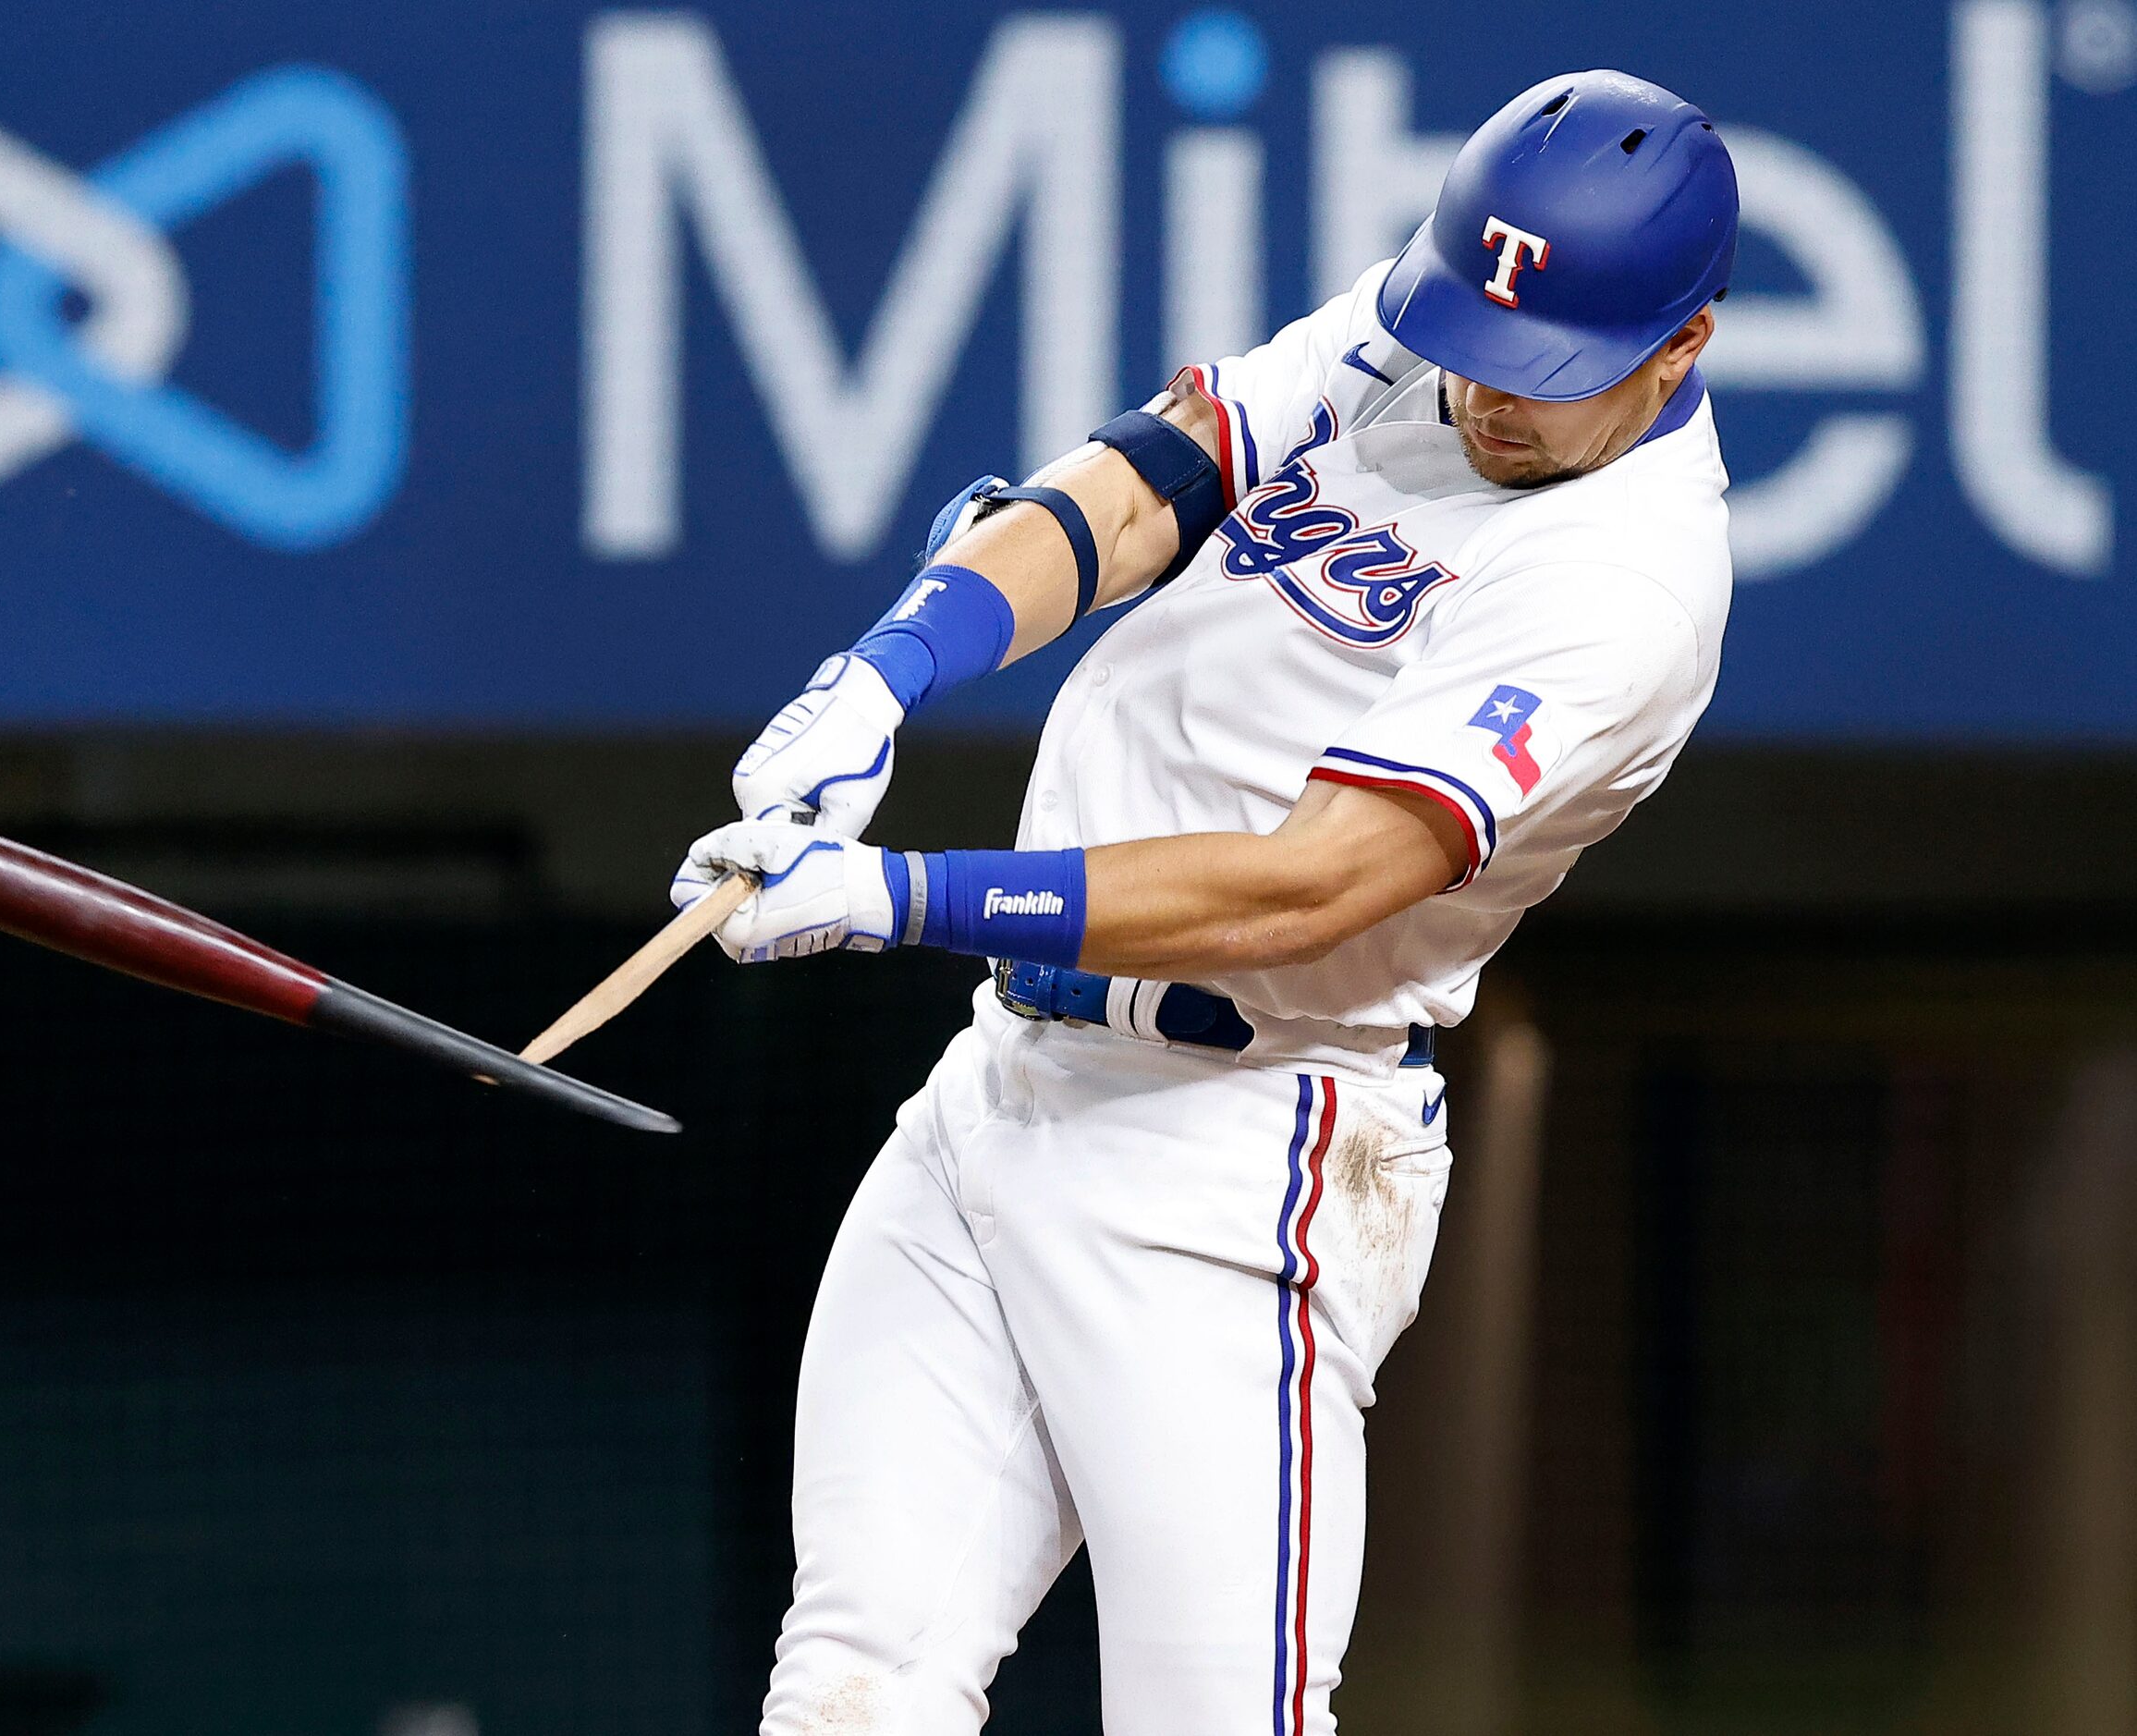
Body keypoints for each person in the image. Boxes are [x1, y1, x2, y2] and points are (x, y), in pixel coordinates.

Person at [670, 68, 1740, 1736]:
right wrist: (895, 664)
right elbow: (1152, 475)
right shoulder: (1429, 338)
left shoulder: (1628, 584)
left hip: (1240, 1147)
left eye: (1548, 371)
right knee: (854, 1689)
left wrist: (901, 891)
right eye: (1470, 336)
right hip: (1001, 1090)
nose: (1488, 393)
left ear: (1683, 344)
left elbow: (1313, 884)